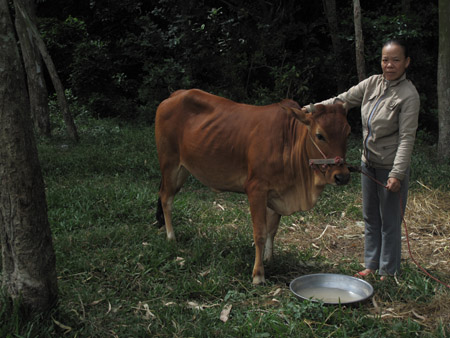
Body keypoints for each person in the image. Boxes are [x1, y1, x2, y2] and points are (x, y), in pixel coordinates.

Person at [316, 39, 420, 280]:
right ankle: (371, 264)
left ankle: (388, 271)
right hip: (368, 164)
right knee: (371, 217)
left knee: (390, 222)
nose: (389, 65)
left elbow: (406, 139)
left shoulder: (409, 95)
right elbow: (341, 100)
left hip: (389, 167)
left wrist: (396, 174)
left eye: (395, 60)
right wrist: (312, 108)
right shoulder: (372, 83)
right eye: (385, 59)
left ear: (406, 63)